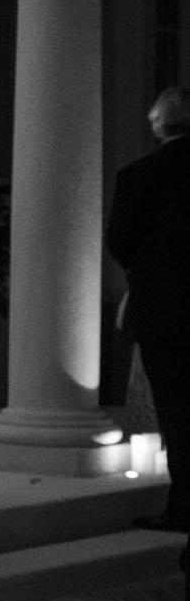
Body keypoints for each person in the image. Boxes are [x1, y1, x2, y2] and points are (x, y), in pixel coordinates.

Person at [106, 84, 190, 535]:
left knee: (177, 413)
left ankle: (182, 508)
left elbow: (119, 240)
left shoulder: (139, 175)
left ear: (158, 124)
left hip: (165, 312)